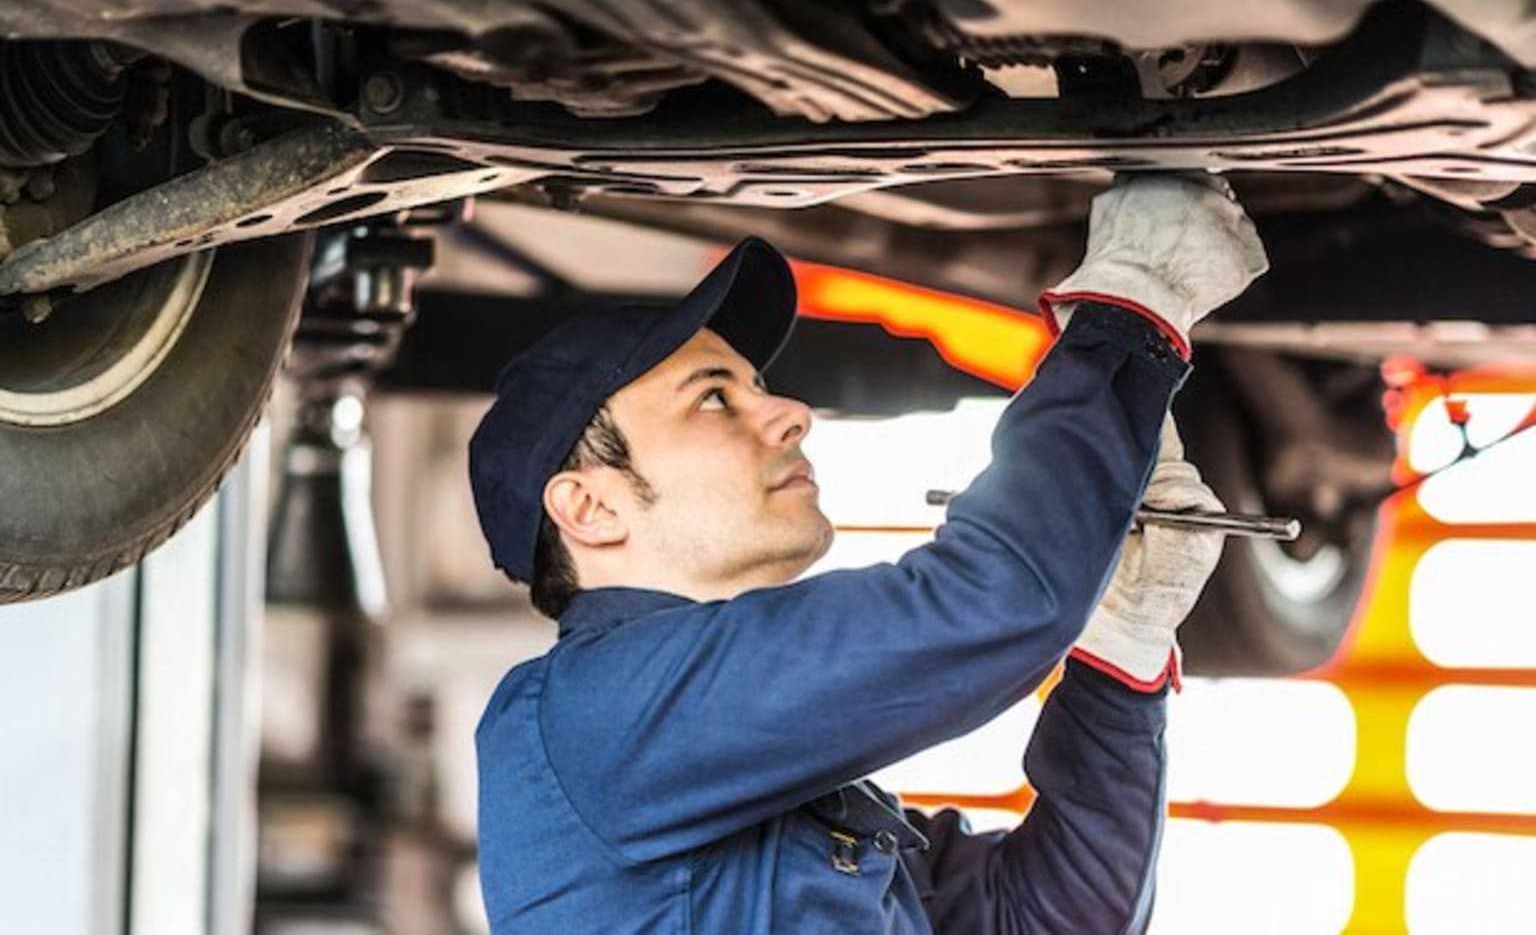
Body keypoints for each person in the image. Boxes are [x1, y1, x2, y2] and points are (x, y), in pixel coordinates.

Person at [467, 174, 1267, 933]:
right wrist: (1132, 303)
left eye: (757, 384)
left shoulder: (736, 769)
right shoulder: (590, 714)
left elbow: (1047, 914)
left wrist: (1120, 645)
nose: (791, 412)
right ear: (591, 506)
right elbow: (990, 602)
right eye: (714, 397)